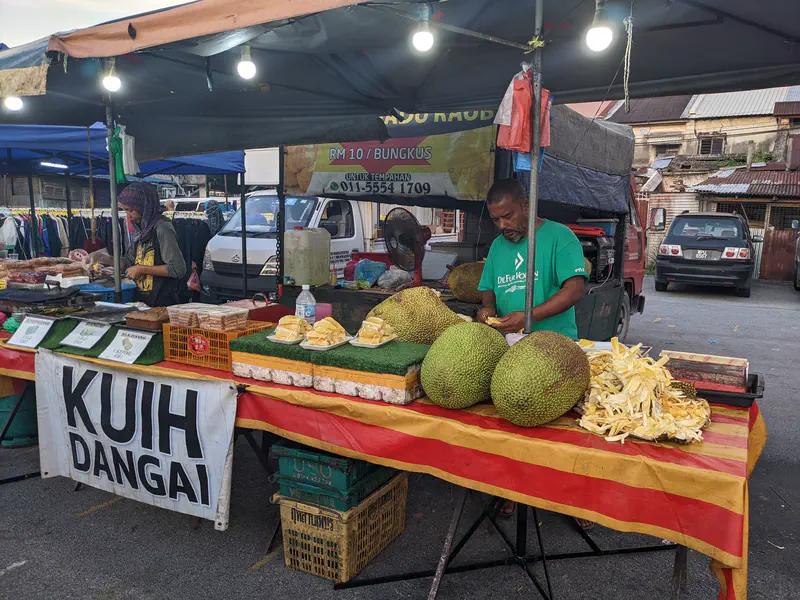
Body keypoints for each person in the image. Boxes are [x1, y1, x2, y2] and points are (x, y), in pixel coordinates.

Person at [476, 178, 591, 526]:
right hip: (510, 345)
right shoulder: (498, 247)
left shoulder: (559, 237)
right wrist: (485, 312)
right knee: (511, 421)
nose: (504, 226)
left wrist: (527, 318)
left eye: (508, 216)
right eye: (497, 220)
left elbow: (574, 290)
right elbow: (487, 292)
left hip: (556, 347)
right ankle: (510, 491)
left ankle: (576, 501)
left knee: (564, 431)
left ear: (526, 205)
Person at [118, 182, 186, 306]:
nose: (128, 215)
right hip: (142, 302)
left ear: (143, 206)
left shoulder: (162, 228)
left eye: (130, 210)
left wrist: (142, 269)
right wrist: (103, 259)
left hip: (162, 303)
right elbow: (128, 261)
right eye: (125, 211)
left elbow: (177, 269)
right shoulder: (140, 230)